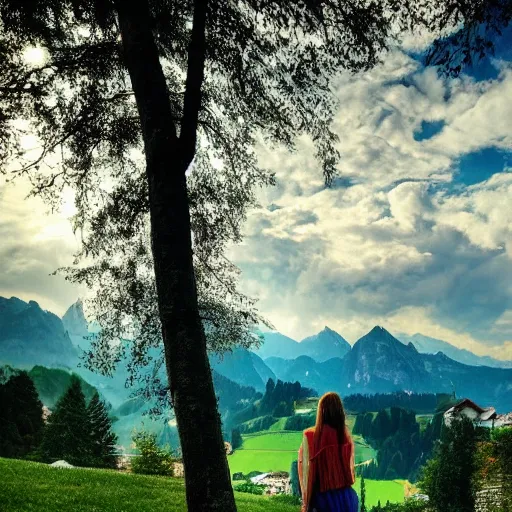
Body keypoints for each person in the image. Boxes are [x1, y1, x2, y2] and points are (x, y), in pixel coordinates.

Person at [298, 392, 358, 512]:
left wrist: (306, 504)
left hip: (323, 499)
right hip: (348, 498)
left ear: (321, 411)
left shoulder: (310, 436)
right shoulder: (346, 438)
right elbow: (350, 472)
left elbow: (305, 474)